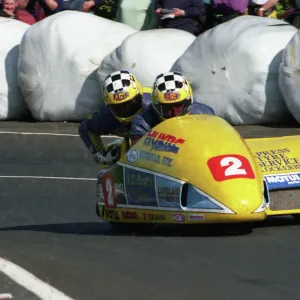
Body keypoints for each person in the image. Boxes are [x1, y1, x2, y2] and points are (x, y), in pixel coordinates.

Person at [78, 70, 152, 165]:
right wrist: (99, 153)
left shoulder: (151, 105)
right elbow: (85, 127)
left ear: (140, 96)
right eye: (118, 108)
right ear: (109, 107)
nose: (126, 111)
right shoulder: (106, 117)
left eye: (131, 105)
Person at [129, 71, 215, 145]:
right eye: (166, 108)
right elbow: (136, 155)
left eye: (178, 106)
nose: (174, 113)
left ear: (188, 100)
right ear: (156, 105)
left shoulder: (206, 114)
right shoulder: (142, 123)